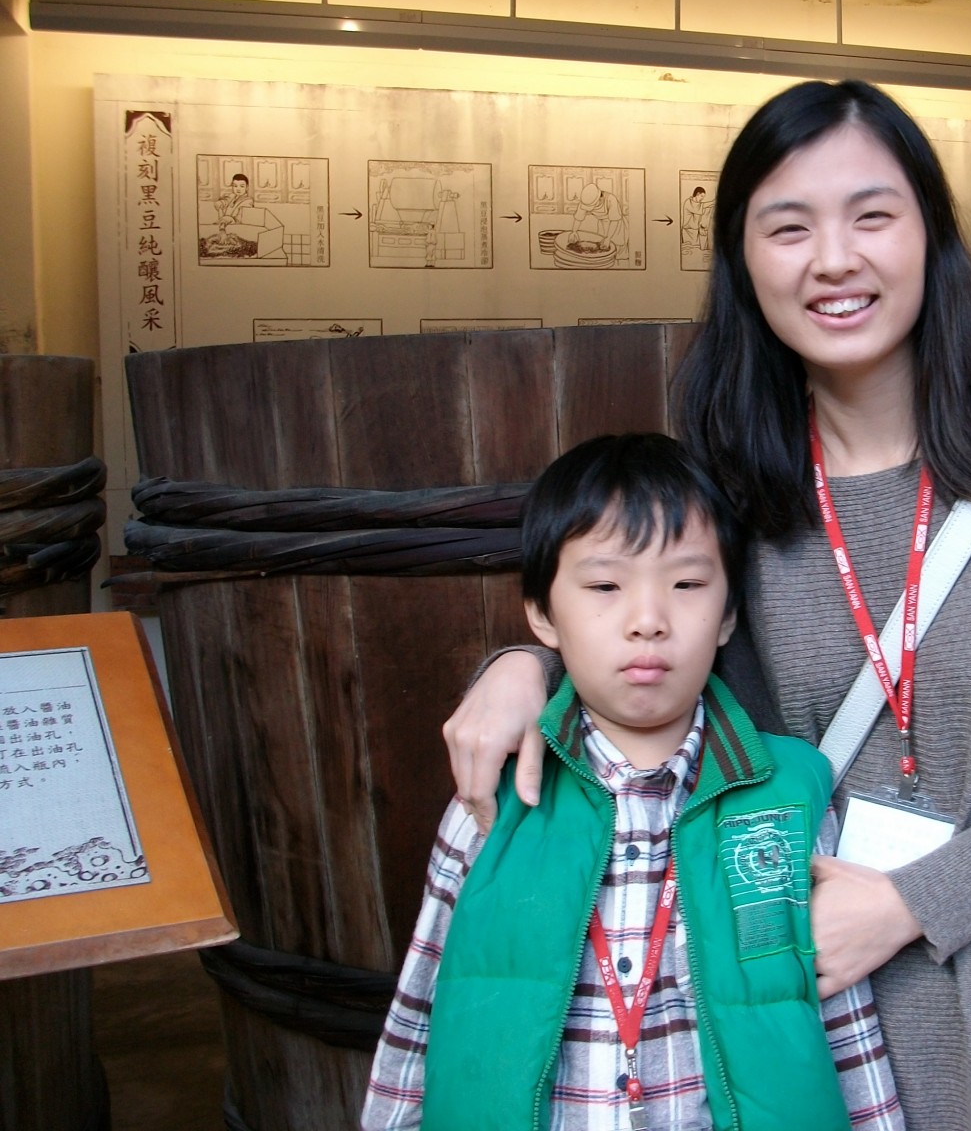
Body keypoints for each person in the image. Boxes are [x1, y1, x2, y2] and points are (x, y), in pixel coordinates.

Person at [445, 81, 971, 1130]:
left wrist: (910, 903)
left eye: (872, 216)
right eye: (788, 228)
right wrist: (524, 666)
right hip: (811, 1003)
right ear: (744, 262)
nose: (833, 259)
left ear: (932, 234)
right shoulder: (734, 489)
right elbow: (651, 647)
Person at [364, 433, 903, 1131]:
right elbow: (418, 1012)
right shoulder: (489, 801)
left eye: (687, 585)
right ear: (542, 614)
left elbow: (844, 1026)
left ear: (729, 616)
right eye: (605, 587)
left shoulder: (787, 800)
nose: (648, 621)